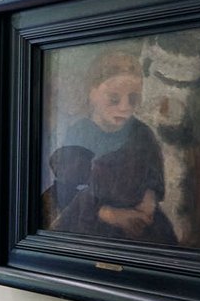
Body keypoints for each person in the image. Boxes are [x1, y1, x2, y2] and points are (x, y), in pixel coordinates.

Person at [50, 49, 176, 243]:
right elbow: (68, 191)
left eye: (133, 99)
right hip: (89, 224)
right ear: (92, 93)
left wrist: (147, 206)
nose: (125, 107)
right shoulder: (79, 133)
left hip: (139, 224)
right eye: (114, 99)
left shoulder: (142, 134)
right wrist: (111, 214)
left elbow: (153, 178)